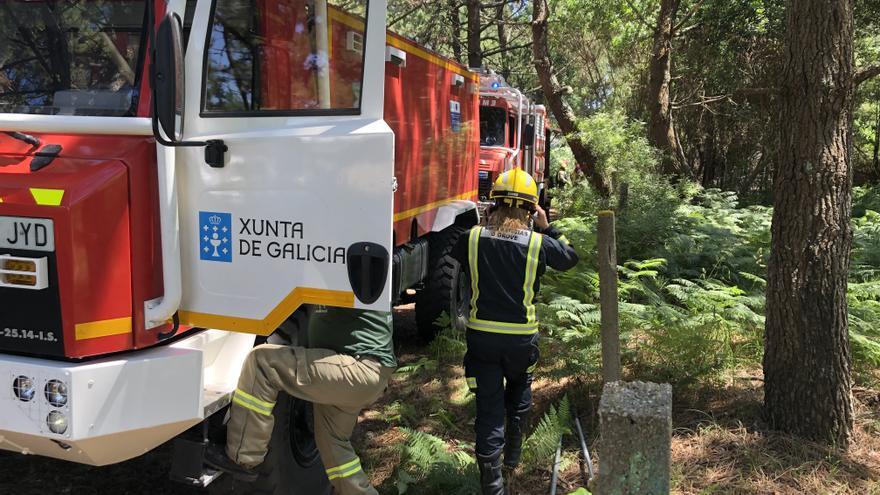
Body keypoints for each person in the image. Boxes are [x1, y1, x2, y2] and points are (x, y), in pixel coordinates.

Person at [452, 168, 579, 495]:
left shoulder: (472, 238)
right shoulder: (539, 243)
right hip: (522, 339)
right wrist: (548, 225)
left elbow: (458, 252)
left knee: (489, 408)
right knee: (520, 384)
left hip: (482, 339)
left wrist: (484, 221)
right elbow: (570, 257)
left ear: (492, 205)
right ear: (531, 210)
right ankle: (513, 455)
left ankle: (492, 484)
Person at [206, 306, 397, 495]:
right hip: (364, 372)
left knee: (263, 363)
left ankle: (243, 457)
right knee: (334, 445)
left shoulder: (351, 276)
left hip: (357, 368)